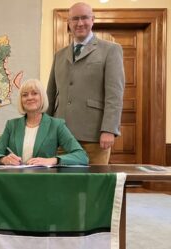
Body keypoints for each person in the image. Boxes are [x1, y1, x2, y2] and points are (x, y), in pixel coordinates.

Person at [46, 2, 125, 164]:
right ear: (69, 23)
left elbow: (114, 95)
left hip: (94, 136)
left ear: (93, 20)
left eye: (84, 18)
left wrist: (109, 129)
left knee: (93, 186)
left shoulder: (110, 50)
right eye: (75, 19)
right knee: (62, 186)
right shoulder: (59, 55)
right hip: (60, 135)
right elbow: (50, 96)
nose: (80, 23)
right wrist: (45, 131)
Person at [0, 79, 88, 166]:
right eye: (25, 95)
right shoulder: (12, 125)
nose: (30, 97)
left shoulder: (56, 125)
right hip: (15, 179)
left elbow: (81, 156)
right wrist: (4, 159)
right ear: (21, 100)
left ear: (42, 97)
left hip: (44, 180)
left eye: (34, 93)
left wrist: (52, 161)